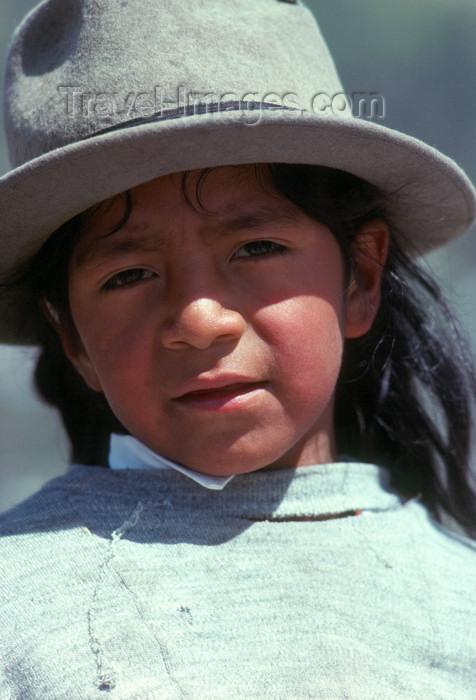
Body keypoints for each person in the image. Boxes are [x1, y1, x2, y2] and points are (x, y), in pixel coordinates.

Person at [0, 1, 475, 697]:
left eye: (257, 247)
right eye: (127, 274)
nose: (199, 319)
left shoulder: (460, 606)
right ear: (69, 335)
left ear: (361, 277)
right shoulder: (19, 616)